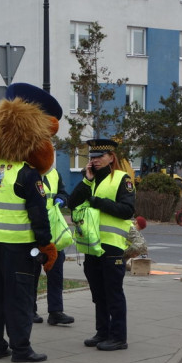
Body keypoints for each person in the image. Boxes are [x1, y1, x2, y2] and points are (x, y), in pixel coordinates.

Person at [0, 82, 59, 363]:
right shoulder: (26, 174)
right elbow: (38, 215)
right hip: (19, 249)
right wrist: (46, 245)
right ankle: (21, 349)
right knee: (18, 299)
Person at [68, 138, 137, 351]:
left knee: (113, 292)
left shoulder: (122, 180)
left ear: (111, 157)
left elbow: (127, 210)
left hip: (111, 245)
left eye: (100, 157)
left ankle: (118, 337)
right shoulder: (90, 180)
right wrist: (87, 181)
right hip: (92, 245)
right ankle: (102, 332)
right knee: (98, 292)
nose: (95, 161)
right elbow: (72, 203)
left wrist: (97, 202)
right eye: (92, 158)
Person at [33, 166, 75, 326]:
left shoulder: (54, 173)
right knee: (32, 272)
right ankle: (30, 310)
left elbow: (64, 193)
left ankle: (55, 311)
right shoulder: (26, 171)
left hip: (53, 230)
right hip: (33, 230)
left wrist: (61, 199)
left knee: (56, 272)